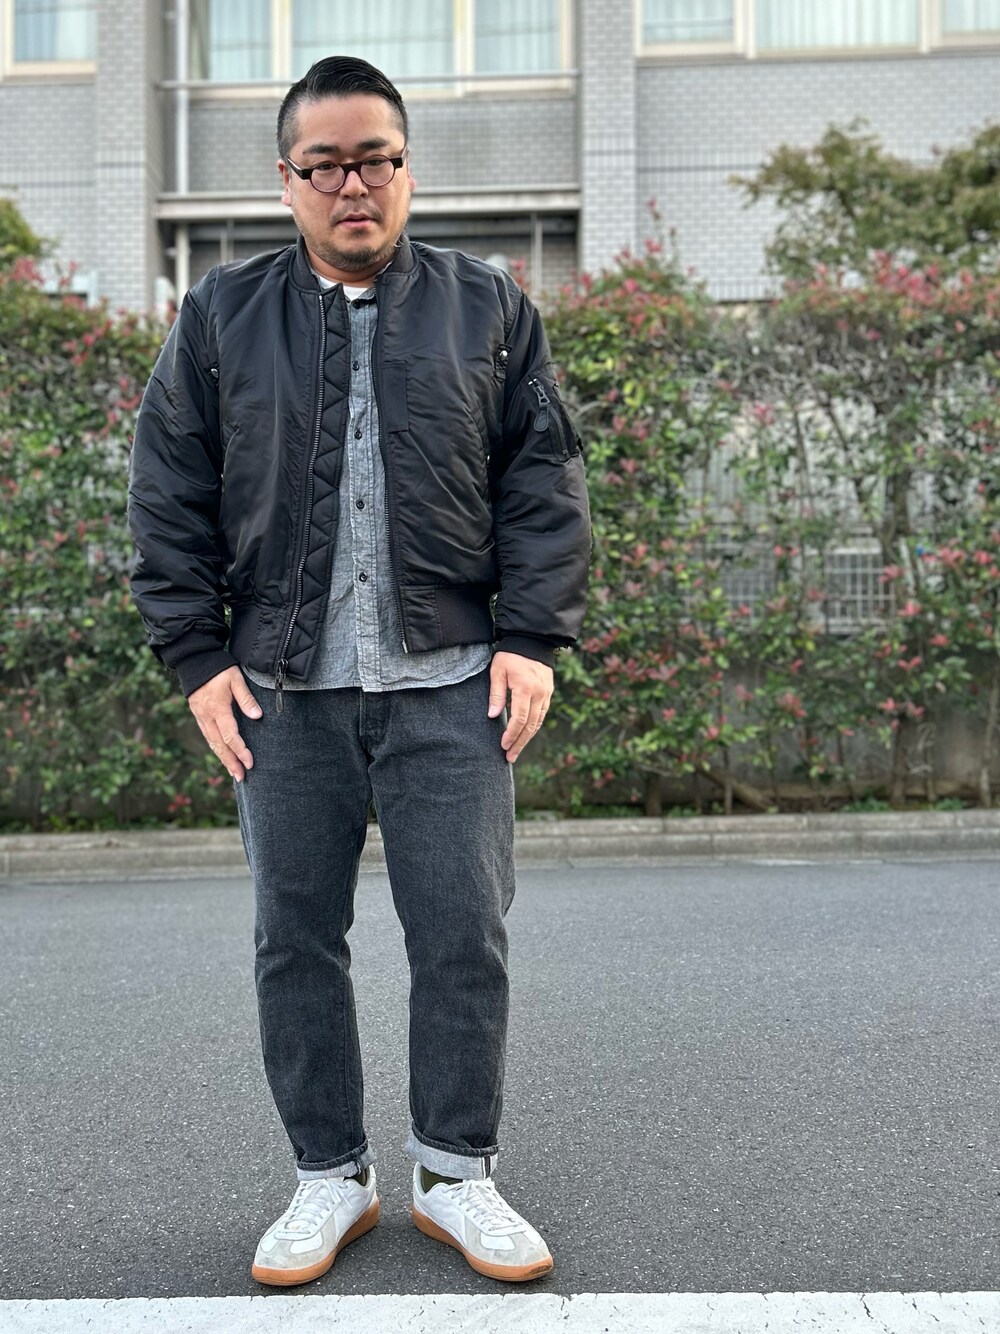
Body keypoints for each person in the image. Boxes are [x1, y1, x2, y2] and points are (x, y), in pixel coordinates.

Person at [127, 55, 589, 1287]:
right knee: (295, 939)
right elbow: (167, 492)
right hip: (282, 694)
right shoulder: (221, 316)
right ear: (285, 179)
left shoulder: (489, 306)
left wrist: (531, 640)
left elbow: (542, 481)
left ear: (406, 169)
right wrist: (197, 657)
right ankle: (329, 1175)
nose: (353, 184)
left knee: (462, 936)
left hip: (453, 684)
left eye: (374, 158)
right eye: (325, 163)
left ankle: (454, 1173)